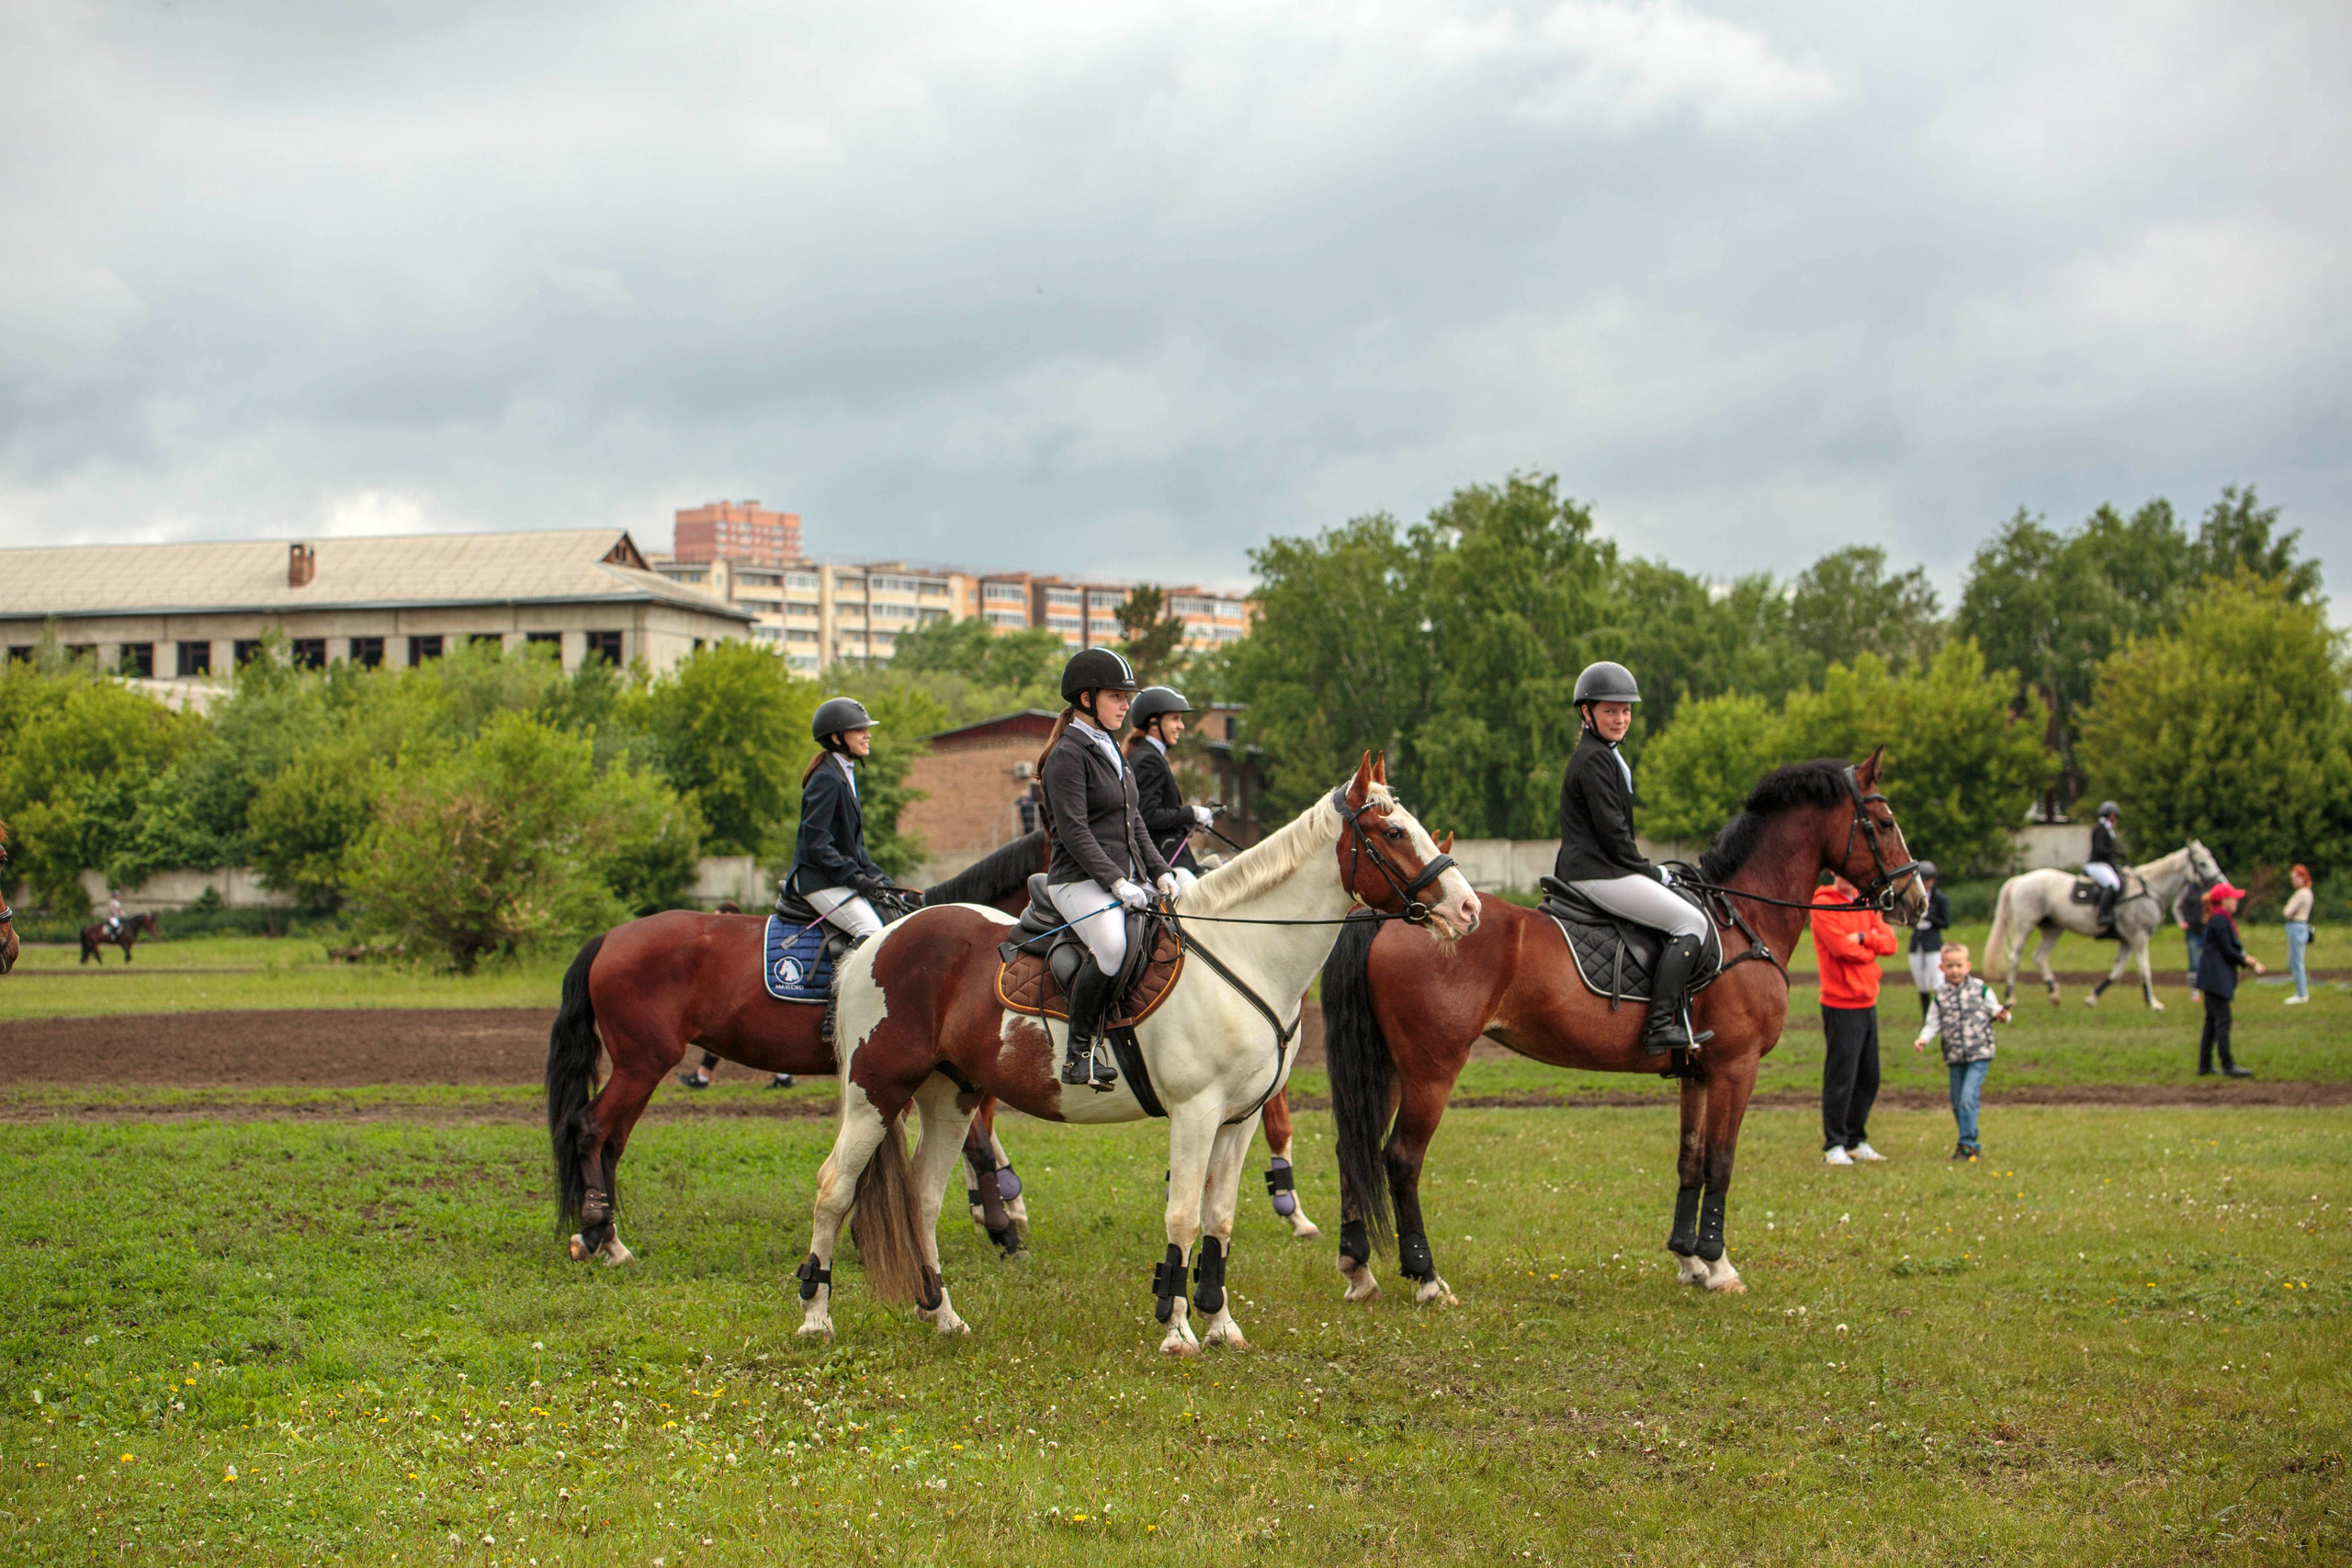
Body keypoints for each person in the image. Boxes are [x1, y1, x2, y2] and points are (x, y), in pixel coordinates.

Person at [1038, 649, 1181, 1089]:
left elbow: (1134, 820)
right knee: (1113, 946)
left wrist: (1159, 872)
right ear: (1086, 698)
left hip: (1120, 878)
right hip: (1075, 880)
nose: (1125, 705)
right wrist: (1117, 881)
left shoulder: (1111, 749)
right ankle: (1078, 1051)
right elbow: (1075, 832)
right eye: (1117, 696)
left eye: (1126, 697)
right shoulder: (1067, 755)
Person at [1553, 660, 1710, 1055]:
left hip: (1601, 868)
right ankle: (1658, 1026)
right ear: (1587, 713)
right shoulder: (1594, 760)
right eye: (1610, 710)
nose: (1620, 718)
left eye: (1625, 711)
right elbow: (1614, 837)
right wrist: (1653, 872)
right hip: (1598, 873)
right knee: (1691, 922)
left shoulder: (1604, 755)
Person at [783, 696, 910, 946]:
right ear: (836, 738)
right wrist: (856, 879)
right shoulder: (826, 779)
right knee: (872, 931)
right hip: (817, 880)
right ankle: (844, 987)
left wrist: (881, 880)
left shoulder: (844, 773)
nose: (867, 735)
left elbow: (855, 848)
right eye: (859, 730)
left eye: (866, 729)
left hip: (834, 877)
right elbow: (817, 843)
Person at [1813, 870, 1898, 1164]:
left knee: (1868, 1076)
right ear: (1835, 872)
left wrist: (1863, 938)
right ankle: (1833, 1144)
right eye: (1844, 872)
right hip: (1840, 1002)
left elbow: (1890, 943)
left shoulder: (1867, 903)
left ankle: (1855, 1138)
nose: (1851, 877)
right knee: (1841, 1076)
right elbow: (1841, 949)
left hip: (1867, 1000)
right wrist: (1870, 948)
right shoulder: (1824, 904)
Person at [1915, 942, 2010, 1161]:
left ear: (1968, 966)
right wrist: (1923, 1039)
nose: (1955, 970)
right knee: (1957, 1102)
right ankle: (1967, 1143)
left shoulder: (1981, 990)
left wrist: (2003, 1016)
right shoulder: (1940, 997)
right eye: (1950, 966)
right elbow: (1932, 1023)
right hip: (1955, 1056)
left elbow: (1997, 1011)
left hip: (1980, 1054)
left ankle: (1968, 1144)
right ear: (1941, 968)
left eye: (1959, 965)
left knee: (1968, 1097)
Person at [1125, 686, 1216, 871]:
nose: (1181, 726)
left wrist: (1190, 821)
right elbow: (1148, 816)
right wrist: (1191, 812)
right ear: (1153, 722)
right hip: (1164, 861)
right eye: (1175, 719)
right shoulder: (1148, 759)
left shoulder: (1150, 755)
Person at [2195, 880, 2262, 1077]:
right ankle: (2227, 1065)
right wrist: (2246, 960)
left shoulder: (2219, 919)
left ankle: (2205, 1065)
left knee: (2212, 1021)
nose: (2236, 902)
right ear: (2224, 901)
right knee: (2223, 1020)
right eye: (2234, 898)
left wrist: (2245, 959)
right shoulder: (2220, 920)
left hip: (2212, 978)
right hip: (2215, 979)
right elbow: (2227, 950)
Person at [1906, 860, 1951, 1020]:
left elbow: (1946, 922)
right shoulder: (1913, 897)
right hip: (1917, 942)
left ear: (1931, 880)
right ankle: (1927, 1017)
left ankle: (1942, 1016)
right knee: (1921, 982)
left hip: (1933, 943)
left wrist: (1928, 917)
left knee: (1938, 981)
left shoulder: (1939, 899)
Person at [2085, 800, 2125, 934]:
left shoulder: (2106, 829)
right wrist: (2115, 852)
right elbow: (2099, 849)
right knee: (2113, 883)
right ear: (2112, 815)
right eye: (2116, 817)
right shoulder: (2100, 829)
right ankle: (2102, 915)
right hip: (2096, 864)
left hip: (2104, 865)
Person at [2283, 863, 2315, 1005]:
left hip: (2297, 926)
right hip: (2297, 926)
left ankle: (2302, 994)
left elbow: (2287, 912)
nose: (2293, 880)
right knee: (2293, 961)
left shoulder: (2303, 893)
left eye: (2296, 877)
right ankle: (2300, 992)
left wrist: (2290, 913)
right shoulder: (2304, 893)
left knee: (2297, 962)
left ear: (2303, 878)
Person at [2177, 878, 2209, 994]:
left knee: (2208, 961)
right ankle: (2194, 990)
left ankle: (2206, 987)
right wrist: (2181, 921)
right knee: (2194, 962)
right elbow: (2177, 906)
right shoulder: (2188, 888)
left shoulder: (2209, 887)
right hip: (2192, 930)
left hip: (2207, 931)